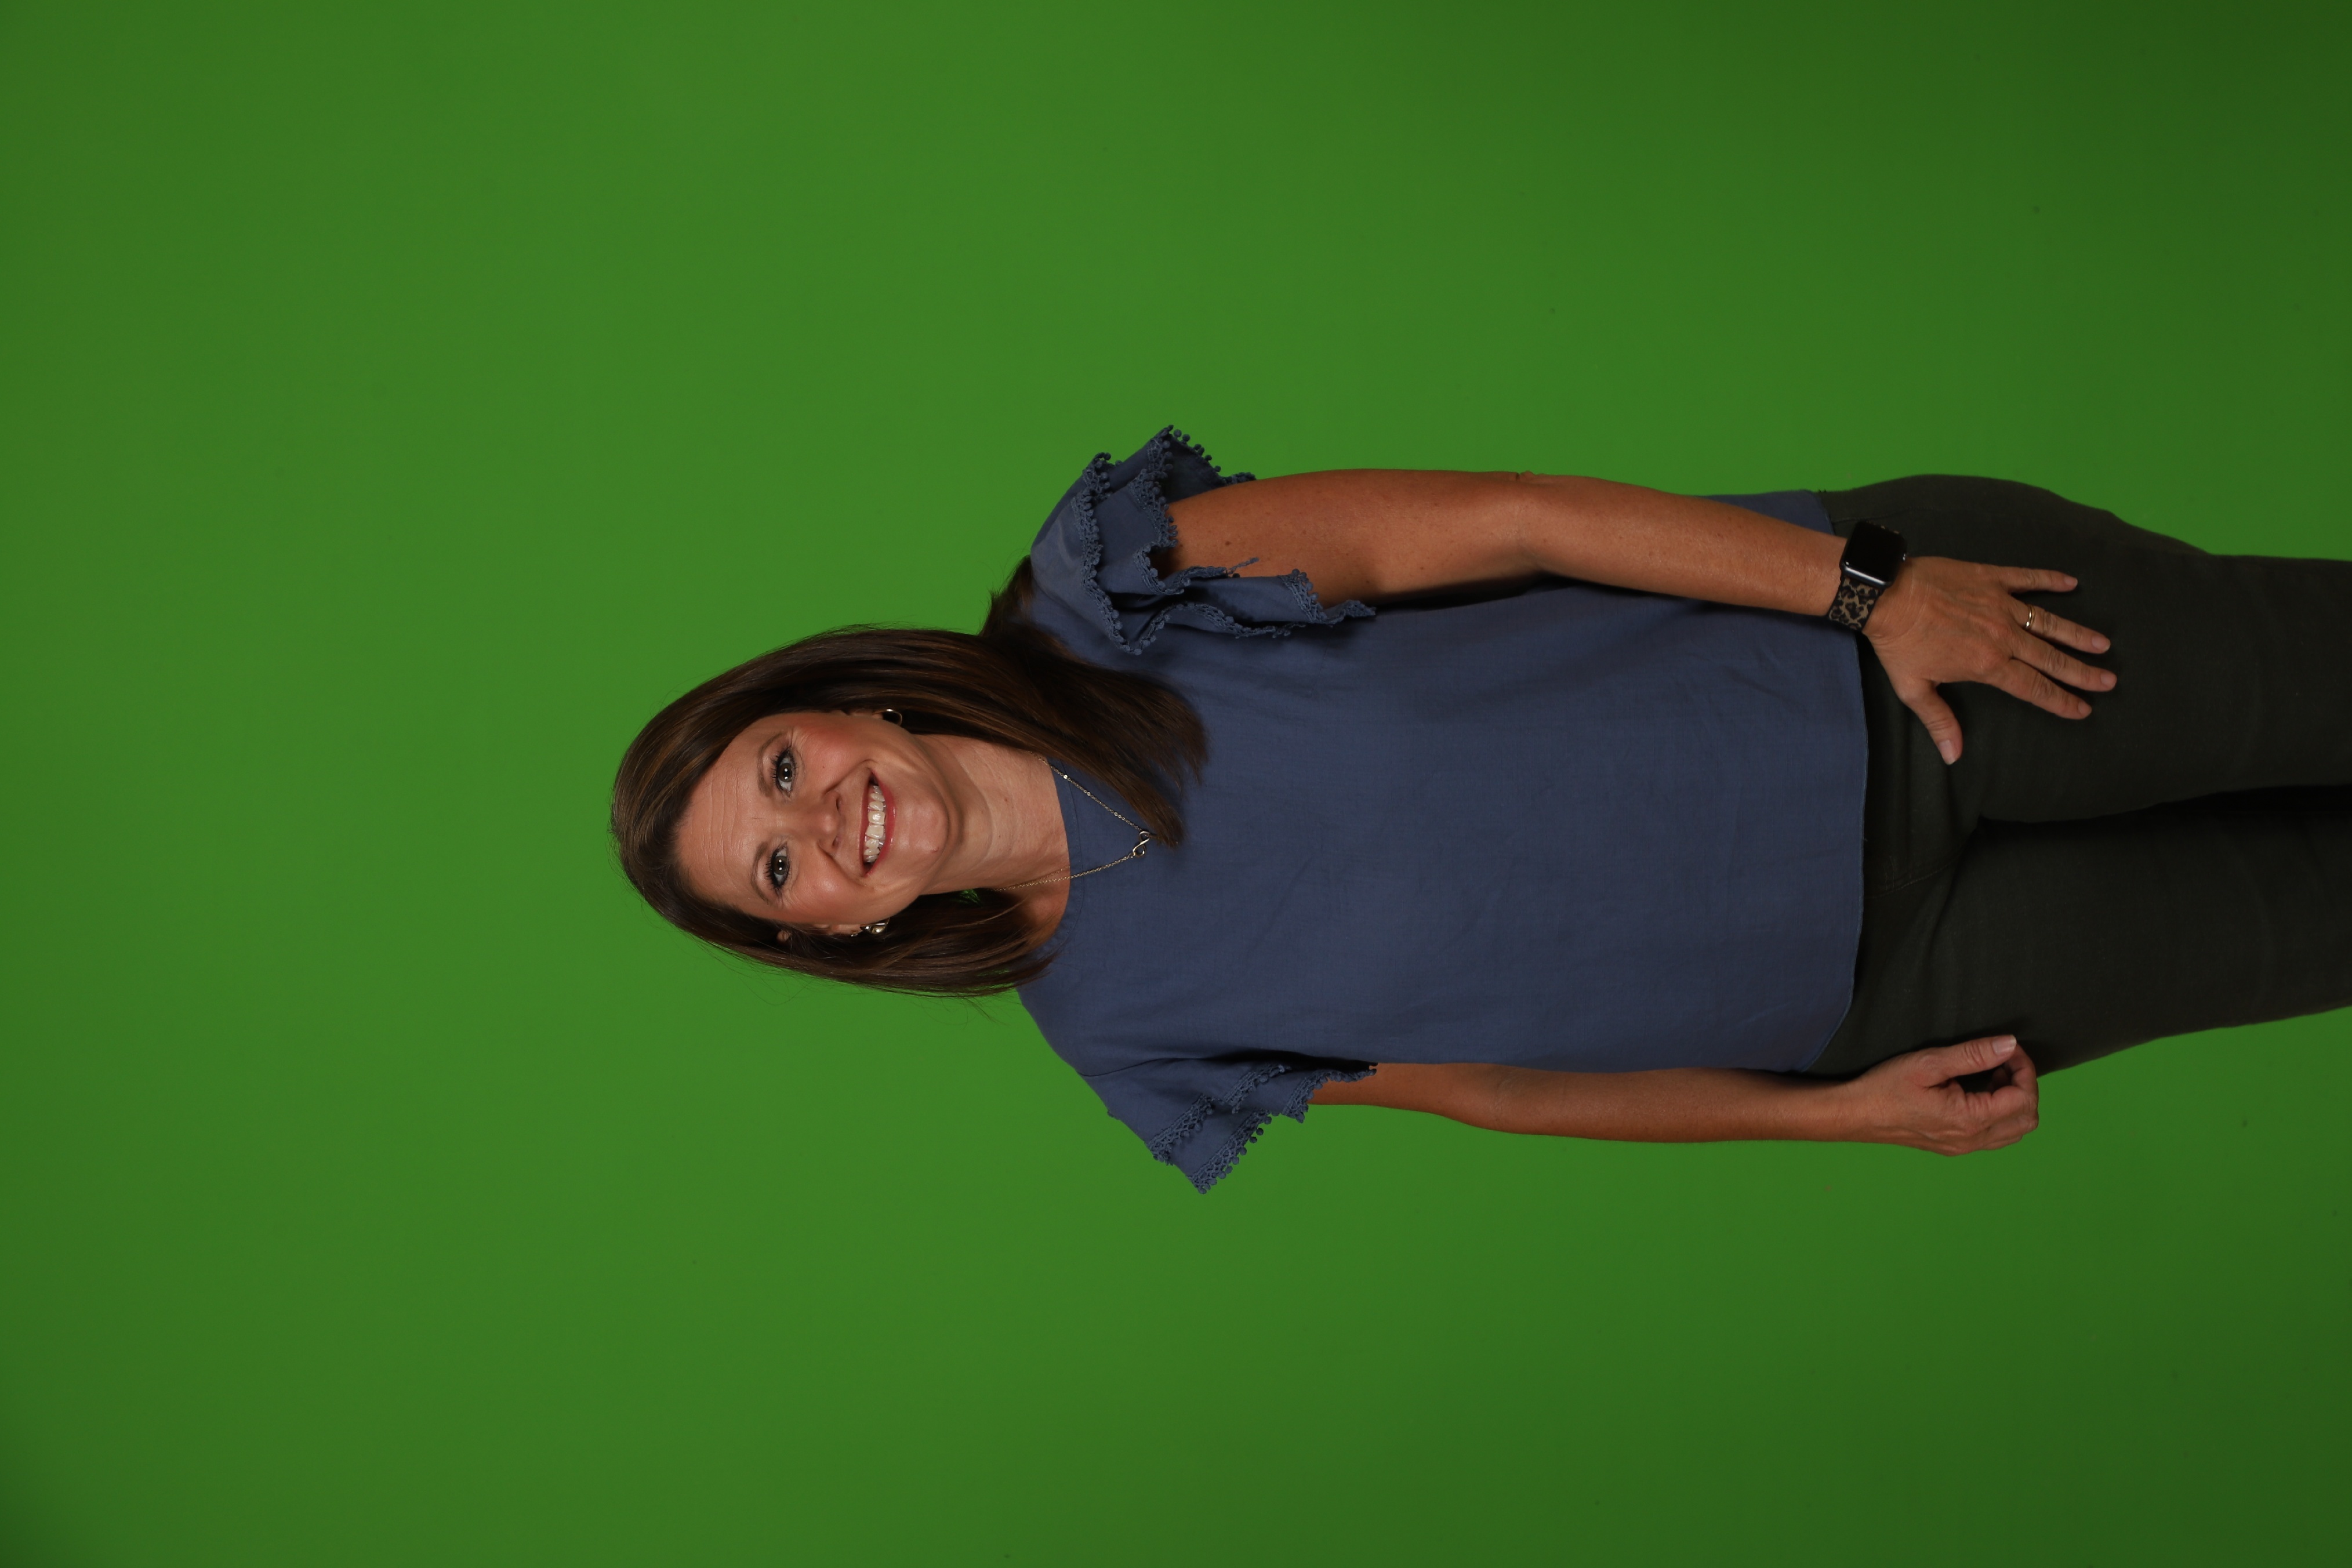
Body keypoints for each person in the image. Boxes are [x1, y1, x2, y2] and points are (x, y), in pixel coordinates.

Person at [612, 429, 2352, 1192]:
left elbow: (1518, 517)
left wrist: (1869, 587)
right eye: (779, 870)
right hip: (1889, 986)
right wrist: (1835, 1121)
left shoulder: (1111, 596)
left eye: (782, 769)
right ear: (835, 931)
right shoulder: (1127, 1041)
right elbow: (1493, 1086)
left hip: (1884, 676)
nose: (823, 824)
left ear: (839, 702)